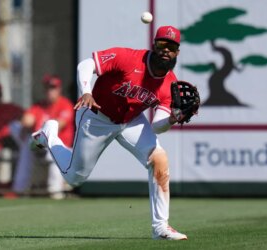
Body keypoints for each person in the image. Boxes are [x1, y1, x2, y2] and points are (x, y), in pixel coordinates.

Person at [32, 26, 188, 240]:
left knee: (159, 158)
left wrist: (172, 119)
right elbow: (86, 65)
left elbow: (156, 125)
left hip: (131, 120)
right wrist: (86, 91)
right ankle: (50, 135)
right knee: (75, 177)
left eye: (171, 46)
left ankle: (160, 227)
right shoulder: (128, 58)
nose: (165, 50)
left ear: (177, 52)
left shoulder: (169, 83)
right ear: (154, 44)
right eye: (162, 44)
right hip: (97, 115)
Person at [7, 75, 75, 199]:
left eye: (53, 88)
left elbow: (59, 125)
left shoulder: (65, 104)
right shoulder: (39, 106)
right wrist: (25, 126)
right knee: (25, 144)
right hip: (40, 145)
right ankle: (19, 190)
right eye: (48, 88)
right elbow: (27, 120)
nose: (50, 91)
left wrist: (36, 130)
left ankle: (55, 191)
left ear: (59, 89)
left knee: (49, 148)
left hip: (61, 147)